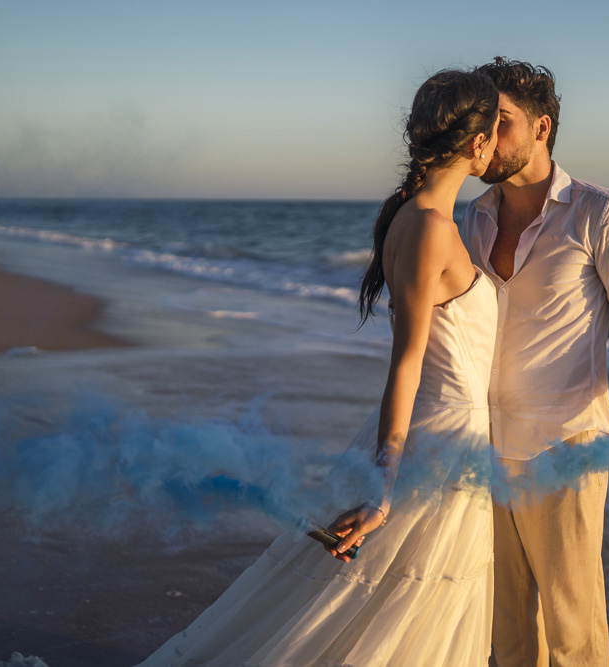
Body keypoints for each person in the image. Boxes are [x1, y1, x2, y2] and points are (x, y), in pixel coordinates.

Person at [136, 69, 501, 666]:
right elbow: (406, 362)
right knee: (394, 610)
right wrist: (385, 487)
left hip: (440, 431)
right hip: (438, 441)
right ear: (477, 143)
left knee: (379, 609)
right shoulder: (431, 228)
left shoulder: (412, 215)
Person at [460, 58, 609, 666]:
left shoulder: (600, 212)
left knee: (573, 633)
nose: (486, 137)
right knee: (505, 631)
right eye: (481, 122)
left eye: (501, 121)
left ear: (541, 127)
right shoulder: (471, 216)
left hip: (565, 444)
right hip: (483, 446)